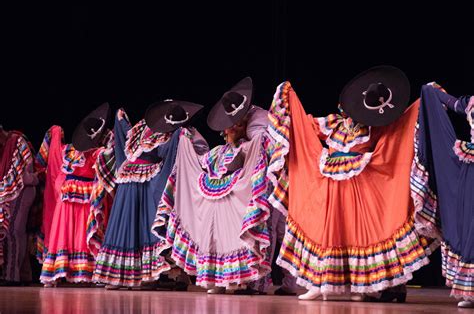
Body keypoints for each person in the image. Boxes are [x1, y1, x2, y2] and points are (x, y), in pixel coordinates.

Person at [268, 66, 437, 301]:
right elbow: (306, 128)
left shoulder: (375, 128)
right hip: (329, 187)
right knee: (326, 232)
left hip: (361, 189)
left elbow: (399, 136)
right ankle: (319, 283)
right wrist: (291, 104)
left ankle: (362, 286)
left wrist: (423, 102)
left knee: (358, 235)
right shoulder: (334, 123)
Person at [152, 77, 278, 294]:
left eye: (232, 127)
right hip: (221, 201)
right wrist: (187, 143)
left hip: (240, 196)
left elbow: (257, 152)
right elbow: (202, 162)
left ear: (241, 125)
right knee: (214, 235)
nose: (227, 132)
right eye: (227, 128)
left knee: (238, 235)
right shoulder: (221, 151)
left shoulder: (252, 140)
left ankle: (243, 280)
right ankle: (217, 279)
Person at [93, 100, 203, 290]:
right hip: (128, 181)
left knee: (144, 228)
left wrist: (181, 135)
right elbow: (126, 142)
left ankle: (146, 276)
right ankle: (119, 275)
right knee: (125, 226)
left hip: (147, 182)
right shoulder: (142, 126)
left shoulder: (171, 133)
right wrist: (121, 121)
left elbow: (167, 155)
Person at [37, 103, 114, 287]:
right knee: (79, 231)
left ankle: (60, 271)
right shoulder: (98, 153)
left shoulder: (68, 150)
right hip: (85, 195)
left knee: (66, 231)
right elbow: (111, 157)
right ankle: (80, 270)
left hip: (69, 194)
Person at [411, 83, 473, 308]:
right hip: (471, 171)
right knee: (469, 225)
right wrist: (431, 92)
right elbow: (451, 104)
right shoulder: (470, 102)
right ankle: (470, 291)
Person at [0, 127, 37, 285]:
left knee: (13, 231)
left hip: (23, 191)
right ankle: (23, 275)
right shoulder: (3, 148)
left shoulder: (17, 141)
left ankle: (11, 277)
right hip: (12, 193)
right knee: (18, 233)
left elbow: (25, 176)